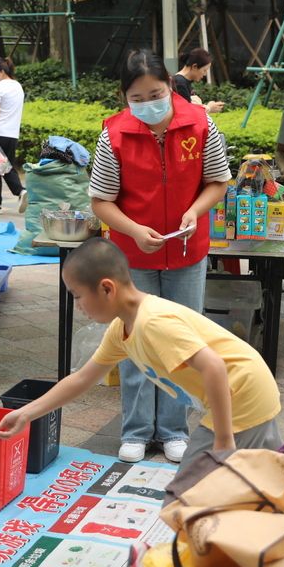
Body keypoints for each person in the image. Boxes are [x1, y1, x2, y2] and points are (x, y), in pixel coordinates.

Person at [0, 238, 281, 468]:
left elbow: (215, 367)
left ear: (107, 288)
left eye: (78, 296)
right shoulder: (122, 329)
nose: (78, 307)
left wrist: (223, 439)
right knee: (260, 483)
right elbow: (81, 379)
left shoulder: (152, 322)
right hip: (247, 391)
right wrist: (26, 413)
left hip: (243, 397)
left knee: (190, 496)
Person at [90, 48, 231, 463]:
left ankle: (173, 428)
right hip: (132, 256)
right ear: (124, 98)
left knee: (182, 343)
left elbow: (218, 181)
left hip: (187, 251)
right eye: (137, 99)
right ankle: (135, 429)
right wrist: (133, 229)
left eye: (155, 94)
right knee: (134, 342)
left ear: (171, 86)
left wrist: (194, 211)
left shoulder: (202, 125)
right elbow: (101, 200)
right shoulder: (113, 134)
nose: (148, 105)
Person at [0, 56, 27, 212]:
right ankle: (20, 191)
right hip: (12, 135)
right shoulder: (17, 86)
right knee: (4, 166)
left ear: (2, 72)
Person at [172, 49, 225, 115]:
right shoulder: (179, 83)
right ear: (194, 66)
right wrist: (208, 108)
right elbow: (186, 113)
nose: (205, 74)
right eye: (204, 70)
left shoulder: (183, 81)